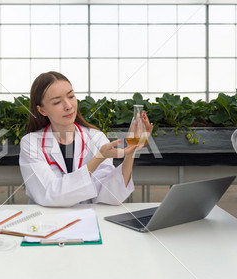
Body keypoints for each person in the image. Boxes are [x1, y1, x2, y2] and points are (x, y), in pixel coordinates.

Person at [19, 71, 153, 207]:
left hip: (85, 220)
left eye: (71, 96)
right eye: (57, 102)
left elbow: (110, 195)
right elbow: (50, 195)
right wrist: (98, 159)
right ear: (42, 110)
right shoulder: (31, 143)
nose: (68, 106)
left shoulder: (96, 138)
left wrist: (131, 150)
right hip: (46, 224)